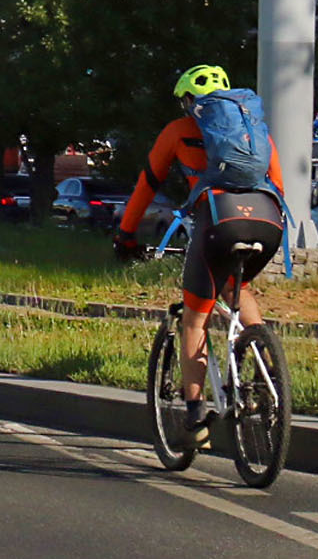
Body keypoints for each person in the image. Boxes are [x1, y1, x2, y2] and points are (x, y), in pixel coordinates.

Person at [113, 64, 286, 438]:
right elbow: (279, 185)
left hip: (219, 224)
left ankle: (194, 417)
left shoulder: (178, 131)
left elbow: (147, 184)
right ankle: (263, 359)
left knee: (194, 319)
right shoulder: (256, 132)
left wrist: (125, 236)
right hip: (267, 223)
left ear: (189, 100)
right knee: (238, 288)